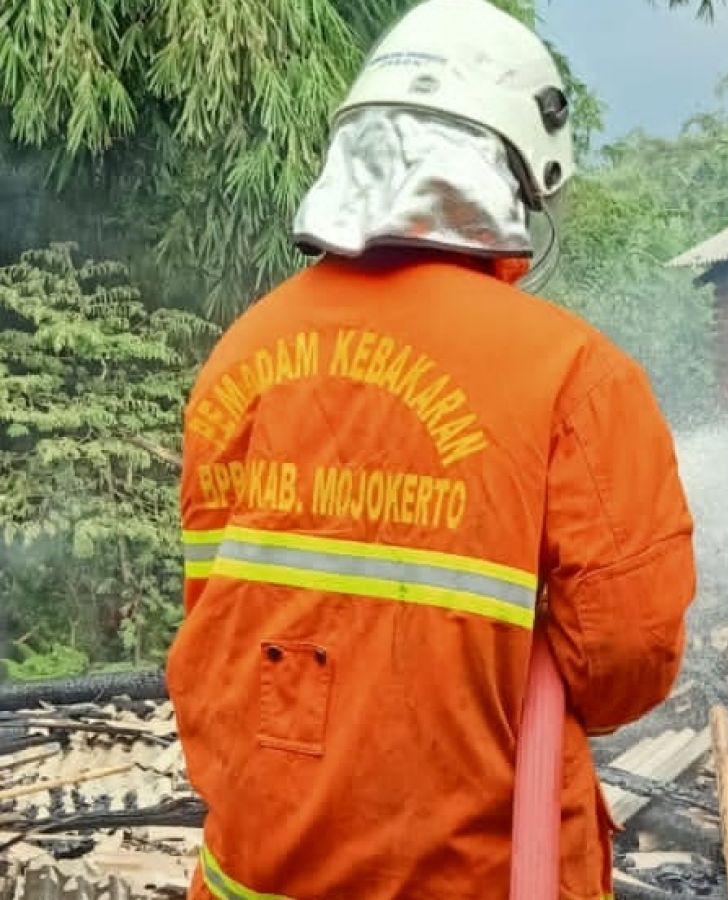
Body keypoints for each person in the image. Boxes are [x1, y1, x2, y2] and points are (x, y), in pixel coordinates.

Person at [164, 1, 697, 897]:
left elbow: (223, 627)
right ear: (518, 174)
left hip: (250, 872)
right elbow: (624, 667)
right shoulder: (571, 372)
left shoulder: (243, 352)